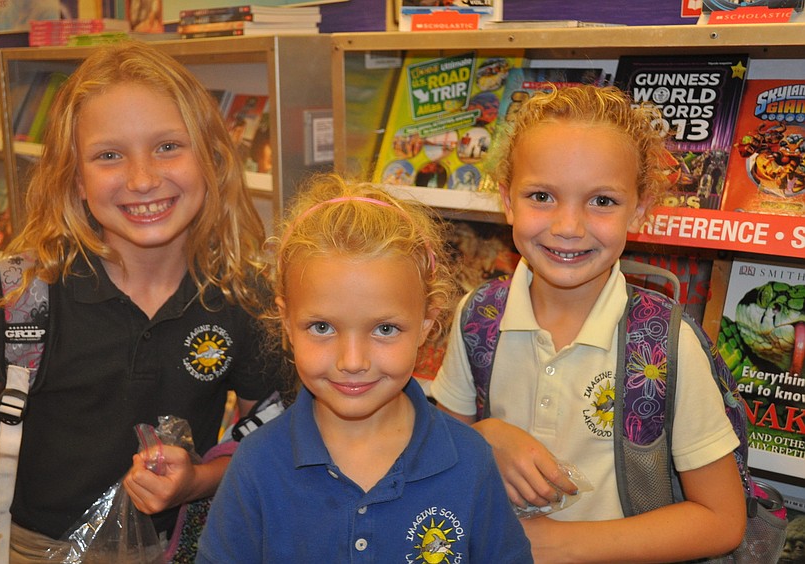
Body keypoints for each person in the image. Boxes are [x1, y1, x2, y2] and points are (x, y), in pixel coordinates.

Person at [0, 41, 286, 561]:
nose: (142, 179)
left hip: (176, 546)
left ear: (212, 157)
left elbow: (266, 439)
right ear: (75, 180)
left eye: (168, 146)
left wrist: (197, 481)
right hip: (26, 546)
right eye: (109, 155)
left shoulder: (244, 297)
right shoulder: (27, 292)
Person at [431, 85, 747, 563]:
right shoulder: (478, 317)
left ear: (639, 209)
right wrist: (484, 436)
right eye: (542, 196)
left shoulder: (665, 344)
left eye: (601, 201)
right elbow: (440, 449)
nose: (569, 226)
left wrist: (557, 544)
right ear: (507, 200)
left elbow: (722, 520)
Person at [196, 174, 533, 562]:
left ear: (426, 324)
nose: (352, 362)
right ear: (286, 322)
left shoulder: (469, 460)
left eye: (385, 329)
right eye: (322, 327)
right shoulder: (257, 464)